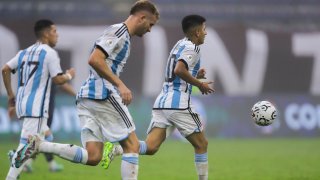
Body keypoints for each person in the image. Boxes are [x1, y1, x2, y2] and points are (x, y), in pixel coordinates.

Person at [25, 1, 159, 179]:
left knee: (94, 156)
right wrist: (120, 84)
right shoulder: (119, 31)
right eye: (150, 24)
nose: (150, 29)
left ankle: (40, 146)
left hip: (88, 97)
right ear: (142, 18)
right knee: (132, 145)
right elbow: (95, 59)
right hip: (103, 95)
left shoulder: (122, 34)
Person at [106, 14, 214, 180]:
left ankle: (117, 149)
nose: (206, 33)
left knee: (150, 147)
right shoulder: (193, 47)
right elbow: (179, 70)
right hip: (178, 103)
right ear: (198, 32)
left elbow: (176, 71)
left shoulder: (180, 44)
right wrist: (200, 84)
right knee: (202, 144)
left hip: (163, 102)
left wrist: (195, 74)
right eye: (204, 29)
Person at [2, 19, 75, 180]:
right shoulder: (49, 53)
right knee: (27, 146)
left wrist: (10, 95)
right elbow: (58, 80)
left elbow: (5, 69)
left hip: (23, 106)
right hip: (36, 109)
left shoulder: (23, 52)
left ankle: (22, 157)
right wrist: (69, 75)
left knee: (47, 137)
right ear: (47, 33)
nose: (57, 35)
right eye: (55, 31)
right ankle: (14, 168)